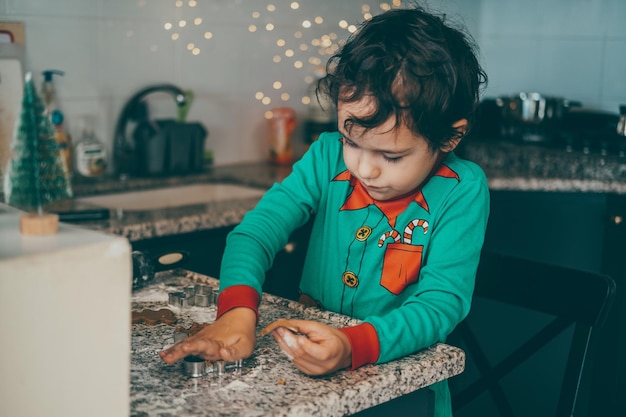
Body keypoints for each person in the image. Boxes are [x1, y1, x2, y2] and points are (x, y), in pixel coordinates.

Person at [160, 5, 489, 416]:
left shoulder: (462, 190)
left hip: (401, 397)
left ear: (450, 137)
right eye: (351, 140)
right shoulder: (325, 157)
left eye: (390, 155)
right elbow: (255, 233)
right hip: (308, 389)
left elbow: (440, 305)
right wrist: (237, 312)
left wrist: (354, 345)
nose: (363, 168)